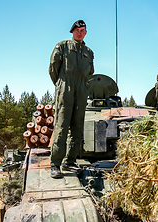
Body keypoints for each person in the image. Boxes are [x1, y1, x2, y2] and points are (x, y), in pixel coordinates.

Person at [49, 20, 94, 178]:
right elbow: (53, 68)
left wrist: (81, 86)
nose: (79, 33)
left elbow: (90, 72)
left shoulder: (89, 52)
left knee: (77, 128)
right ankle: (55, 164)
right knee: (61, 126)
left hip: (81, 90)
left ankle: (69, 161)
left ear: (86, 32)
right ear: (72, 32)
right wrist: (61, 85)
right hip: (65, 88)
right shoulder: (62, 46)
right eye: (76, 30)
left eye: (82, 30)